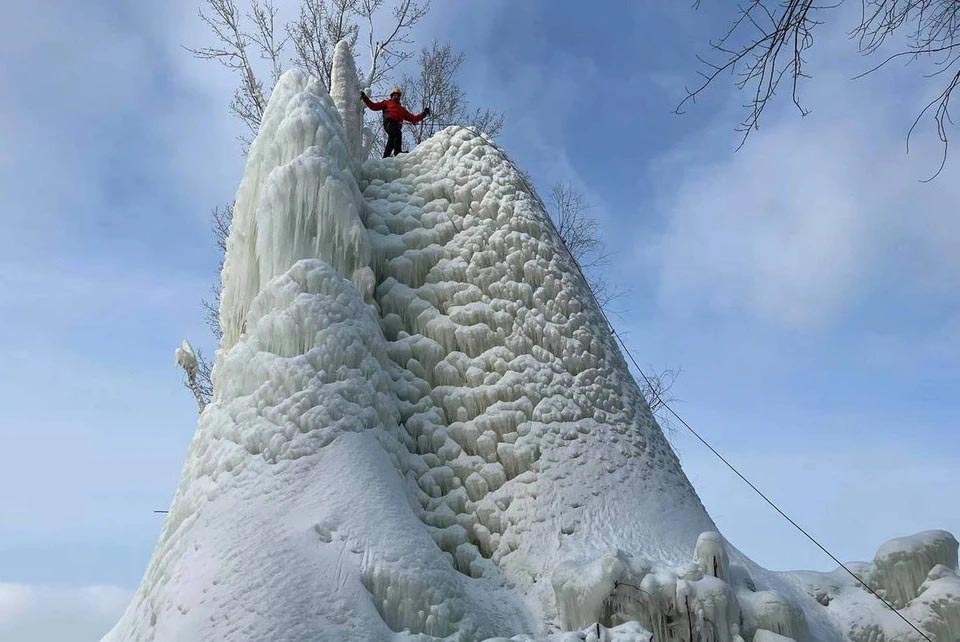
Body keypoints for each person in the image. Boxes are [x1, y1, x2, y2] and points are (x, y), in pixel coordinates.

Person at [360, 87, 430, 158]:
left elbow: (413, 118)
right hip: (389, 123)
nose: (396, 97)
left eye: (398, 96)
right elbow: (374, 106)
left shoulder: (402, 109)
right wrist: (365, 98)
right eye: (394, 95)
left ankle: (385, 157)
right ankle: (397, 152)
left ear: (399, 97)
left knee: (392, 140)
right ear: (392, 96)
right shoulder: (386, 103)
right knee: (397, 133)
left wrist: (424, 113)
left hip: (397, 125)